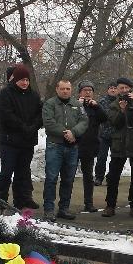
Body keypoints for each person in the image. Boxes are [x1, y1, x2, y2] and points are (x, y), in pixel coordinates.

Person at [0, 64, 42, 210]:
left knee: (23, 172)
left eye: (27, 80)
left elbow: (40, 114)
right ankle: (1, 201)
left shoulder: (34, 95)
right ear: (15, 80)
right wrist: (21, 127)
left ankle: (21, 200)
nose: (24, 83)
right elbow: (3, 115)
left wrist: (33, 127)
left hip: (27, 141)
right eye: (21, 80)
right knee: (6, 172)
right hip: (9, 141)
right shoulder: (4, 94)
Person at [41, 79, 88, 221]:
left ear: (71, 89)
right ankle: (49, 209)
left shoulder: (77, 104)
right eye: (62, 89)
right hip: (55, 146)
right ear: (57, 89)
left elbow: (84, 121)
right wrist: (65, 133)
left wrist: (74, 132)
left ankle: (64, 208)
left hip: (72, 147)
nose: (65, 91)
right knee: (51, 178)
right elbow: (48, 123)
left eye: (68, 88)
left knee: (68, 179)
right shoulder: (50, 104)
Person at [102, 77, 133, 218]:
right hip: (118, 144)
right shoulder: (114, 104)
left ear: (131, 89)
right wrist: (121, 110)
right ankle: (110, 205)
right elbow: (114, 122)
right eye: (121, 88)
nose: (124, 91)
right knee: (113, 176)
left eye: (127, 88)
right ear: (117, 89)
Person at [75, 80, 107, 213]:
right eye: (85, 90)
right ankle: (64, 205)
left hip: (90, 146)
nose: (87, 92)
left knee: (88, 176)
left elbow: (104, 118)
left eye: (90, 90)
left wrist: (97, 106)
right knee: (69, 175)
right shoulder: (74, 105)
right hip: (74, 145)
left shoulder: (95, 107)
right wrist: (78, 105)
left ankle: (89, 203)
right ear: (80, 92)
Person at [94, 81, 117, 186]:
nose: (113, 90)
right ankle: (99, 177)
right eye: (111, 88)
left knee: (115, 159)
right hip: (103, 135)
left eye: (115, 88)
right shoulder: (102, 101)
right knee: (101, 157)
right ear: (107, 90)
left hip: (116, 135)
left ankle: (111, 178)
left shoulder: (120, 101)